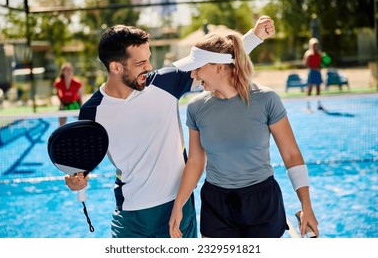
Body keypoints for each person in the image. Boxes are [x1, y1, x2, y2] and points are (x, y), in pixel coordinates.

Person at [64, 16, 275, 238]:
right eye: (140, 63)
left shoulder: (165, 82)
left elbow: (217, 61)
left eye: (148, 59)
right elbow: (82, 163)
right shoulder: (91, 112)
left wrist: (256, 36)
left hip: (177, 208)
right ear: (115, 67)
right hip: (129, 217)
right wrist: (75, 179)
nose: (149, 67)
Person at [169, 31, 319, 238]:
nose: (193, 75)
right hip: (216, 203)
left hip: (262, 201)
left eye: (198, 68)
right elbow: (195, 161)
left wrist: (306, 206)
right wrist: (178, 204)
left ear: (219, 67)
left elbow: (291, 155)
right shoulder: (196, 107)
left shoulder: (267, 99)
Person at [302, 37, 324, 110]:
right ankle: (308, 106)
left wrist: (321, 66)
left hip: (318, 73)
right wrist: (314, 68)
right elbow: (305, 64)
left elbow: (323, 63)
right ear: (311, 45)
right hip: (311, 73)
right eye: (314, 44)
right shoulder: (308, 54)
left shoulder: (320, 53)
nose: (316, 46)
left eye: (317, 44)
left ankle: (319, 105)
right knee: (310, 89)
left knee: (318, 89)